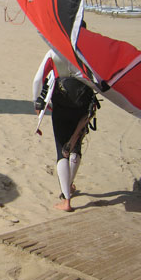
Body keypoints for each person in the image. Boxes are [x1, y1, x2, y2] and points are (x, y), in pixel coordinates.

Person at [33, 48, 98, 212]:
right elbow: (99, 79)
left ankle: (66, 199)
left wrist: (38, 102)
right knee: (75, 146)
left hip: (62, 102)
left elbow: (38, 78)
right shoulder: (90, 51)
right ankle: (68, 185)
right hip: (83, 101)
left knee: (61, 149)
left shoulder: (54, 51)